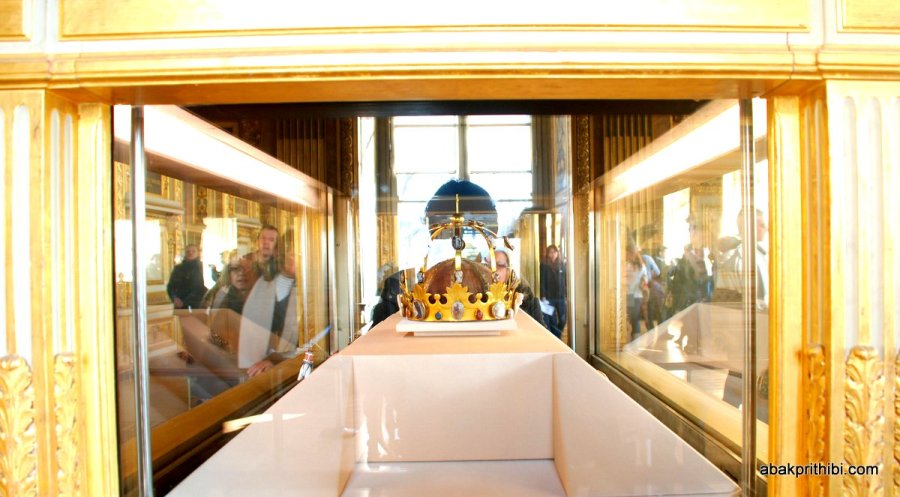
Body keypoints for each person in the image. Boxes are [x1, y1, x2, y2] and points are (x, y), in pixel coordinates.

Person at [239, 225, 299, 377]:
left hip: (292, 370)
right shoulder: (262, 285)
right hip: (258, 371)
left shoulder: (310, 291)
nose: (294, 259)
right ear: (280, 254)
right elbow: (250, 331)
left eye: (300, 254)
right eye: (291, 253)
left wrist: (276, 360)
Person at [713, 208, 769, 309]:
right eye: (761, 225)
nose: (766, 228)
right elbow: (726, 307)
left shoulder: (761, 256)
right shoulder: (734, 262)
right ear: (749, 226)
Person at [494, 248, 546, 329]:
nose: (493, 269)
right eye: (489, 264)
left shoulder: (527, 299)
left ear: (509, 270)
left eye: (499, 265)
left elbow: (540, 332)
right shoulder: (481, 295)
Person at [166, 244, 207, 310]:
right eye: (188, 251)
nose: (190, 253)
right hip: (180, 305)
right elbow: (170, 286)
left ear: (198, 253)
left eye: (193, 251)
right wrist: (174, 298)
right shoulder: (178, 269)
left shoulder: (204, 268)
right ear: (184, 253)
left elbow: (202, 287)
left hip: (199, 304)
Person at [539, 245, 567, 338]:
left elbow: (566, 280)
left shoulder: (562, 265)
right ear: (547, 253)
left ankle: (556, 336)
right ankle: (556, 338)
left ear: (557, 253)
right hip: (549, 297)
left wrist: (566, 294)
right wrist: (543, 296)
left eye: (554, 252)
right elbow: (542, 281)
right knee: (552, 321)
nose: (553, 254)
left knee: (563, 320)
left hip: (561, 297)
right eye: (550, 252)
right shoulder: (544, 265)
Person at [625, 239, 648, 339]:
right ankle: (635, 339)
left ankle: (635, 339)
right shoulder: (641, 266)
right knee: (634, 319)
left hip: (631, 295)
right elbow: (645, 279)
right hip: (636, 295)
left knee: (632, 319)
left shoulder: (627, 265)